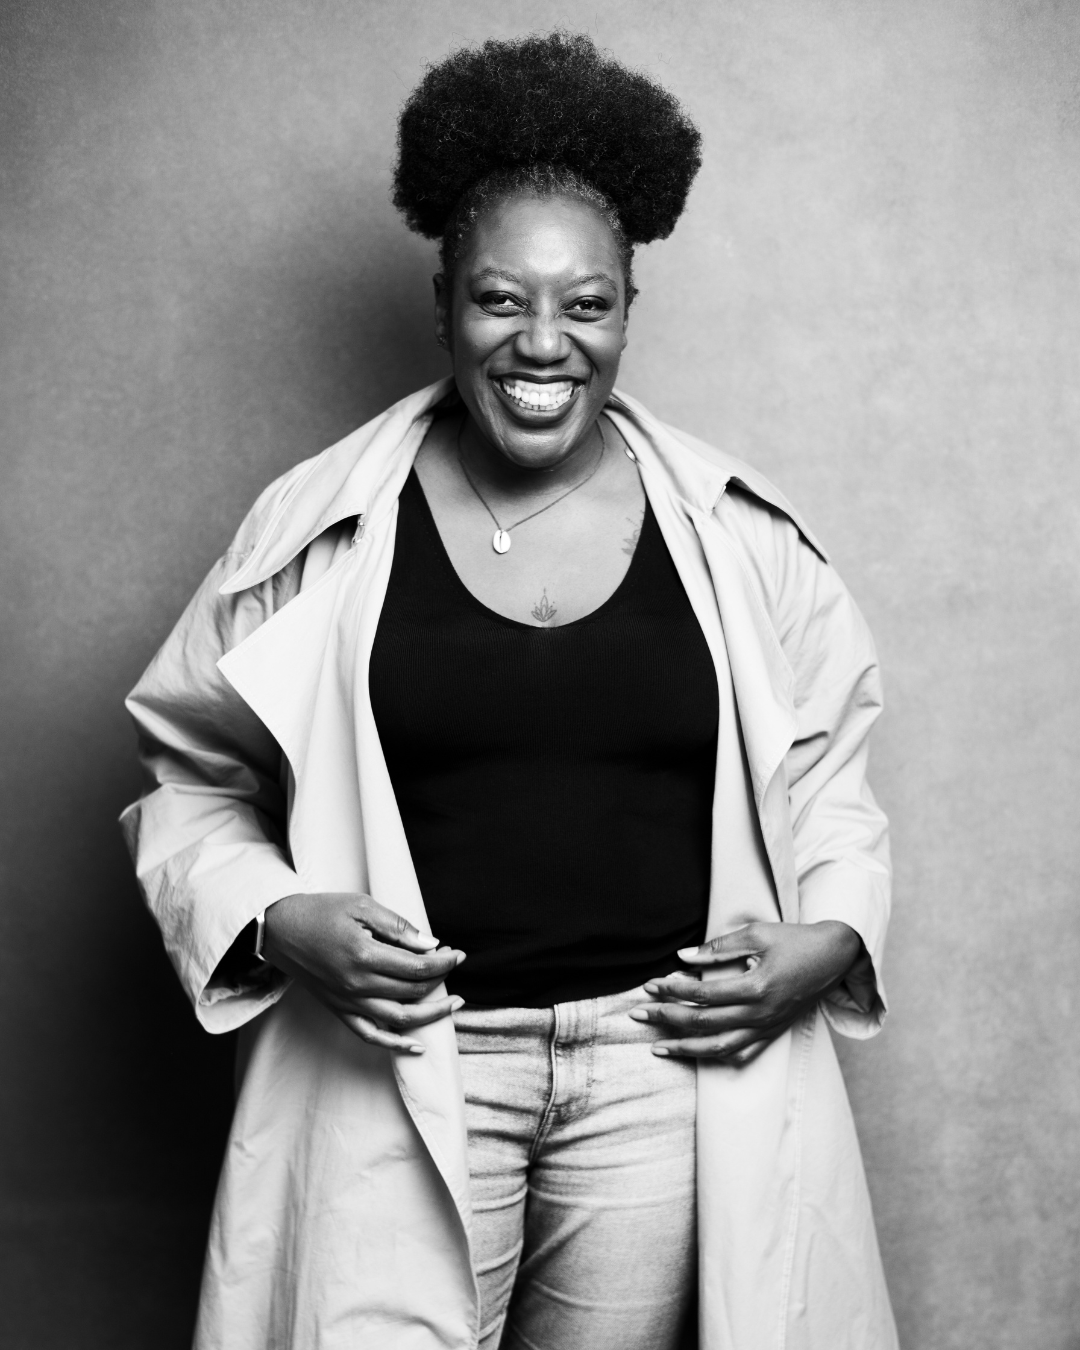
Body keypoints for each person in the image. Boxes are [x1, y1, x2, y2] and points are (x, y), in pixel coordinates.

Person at [121, 31, 898, 1350]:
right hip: (400, 1058)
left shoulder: (741, 535)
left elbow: (829, 780)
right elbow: (192, 776)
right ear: (444, 301)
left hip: (660, 1066)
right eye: (500, 299)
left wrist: (827, 938)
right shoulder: (314, 527)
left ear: (628, 307)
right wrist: (278, 918)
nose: (544, 343)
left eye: (586, 304)